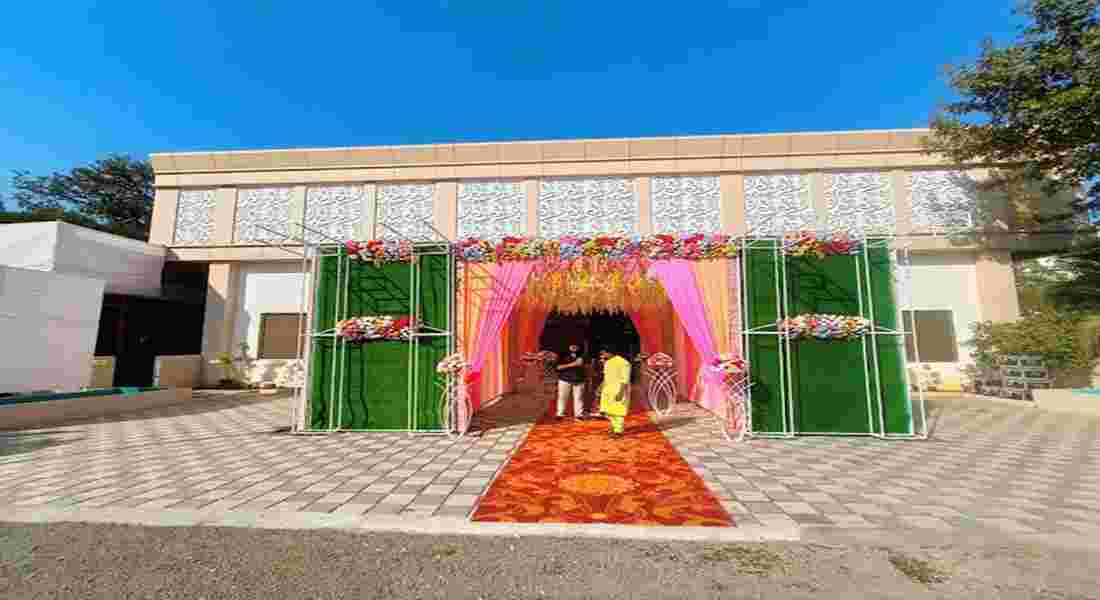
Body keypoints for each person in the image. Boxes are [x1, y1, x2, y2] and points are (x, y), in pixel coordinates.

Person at [598, 347, 632, 437]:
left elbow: (625, 379)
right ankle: (615, 427)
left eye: (604, 353)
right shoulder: (607, 362)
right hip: (608, 390)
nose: (602, 355)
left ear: (610, 352)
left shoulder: (624, 363)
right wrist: (600, 387)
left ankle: (618, 431)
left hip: (619, 389)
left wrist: (621, 392)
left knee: (618, 411)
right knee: (608, 410)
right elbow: (606, 377)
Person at [554, 343, 586, 420]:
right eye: (572, 345)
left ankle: (579, 415)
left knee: (579, 398)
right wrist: (573, 364)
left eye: (576, 345)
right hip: (565, 379)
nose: (574, 347)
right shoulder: (562, 355)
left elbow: (587, 367)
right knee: (562, 397)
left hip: (579, 380)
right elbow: (558, 367)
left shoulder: (583, 355)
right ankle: (560, 414)